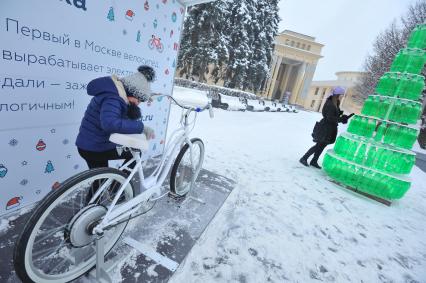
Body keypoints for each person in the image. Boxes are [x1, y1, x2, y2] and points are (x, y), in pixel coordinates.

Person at [76, 65, 156, 170]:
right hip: (94, 147)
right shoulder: (113, 98)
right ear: (130, 92)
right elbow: (110, 123)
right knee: (134, 154)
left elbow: (118, 119)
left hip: (92, 143)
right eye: (139, 99)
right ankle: (118, 185)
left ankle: (114, 184)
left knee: (100, 182)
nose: (138, 103)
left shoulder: (117, 95)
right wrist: (141, 127)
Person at [299, 86, 352, 169]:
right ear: (336, 95)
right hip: (325, 128)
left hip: (330, 128)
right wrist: (340, 119)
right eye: (339, 95)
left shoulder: (335, 102)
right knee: (319, 145)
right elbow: (329, 117)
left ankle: (314, 161)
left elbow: (334, 115)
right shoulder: (330, 103)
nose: (340, 97)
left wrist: (341, 115)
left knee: (323, 145)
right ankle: (304, 158)